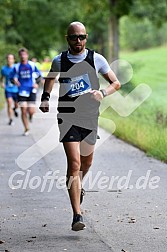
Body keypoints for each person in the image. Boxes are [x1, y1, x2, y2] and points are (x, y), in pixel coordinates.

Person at [39, 21, 121, 231]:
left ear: (86, 37)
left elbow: (116, 83)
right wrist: (46, 97)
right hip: (67, 117)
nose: (79, 41)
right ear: (68, 39)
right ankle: (77, 214)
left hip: (90, 117)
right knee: (74, 164)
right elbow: (50, 78)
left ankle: (78, 186)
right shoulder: (60, 60)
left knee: (87, 163)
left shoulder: (97, 59)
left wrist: (102, 93)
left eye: (82, 37)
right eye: (74, 37)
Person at [10, 48, 42, 136]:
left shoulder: (32, 65)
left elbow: (40, 76)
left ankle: (31, 116)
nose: (23, 56)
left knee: (31, 111)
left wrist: (37, 84)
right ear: (19, 56)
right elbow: (11, 77)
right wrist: (15, 81)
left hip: (31, 90)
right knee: (23, 110)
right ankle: (26, 128)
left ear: (27, 55)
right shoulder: (16, 67)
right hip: (21, 91)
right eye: (21, 55)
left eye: (24, 55)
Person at [0, 54, 19, 125]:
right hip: (8, 89)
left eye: (11, 58)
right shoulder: (4, 69)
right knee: (9, 103)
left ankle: (15, 109)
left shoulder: (17, 67)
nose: (9, 60)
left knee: (17, 104)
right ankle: (11, 119)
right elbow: (2, 78)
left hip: (16, 89)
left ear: (14, 60)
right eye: (8, 58)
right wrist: (2, 83)